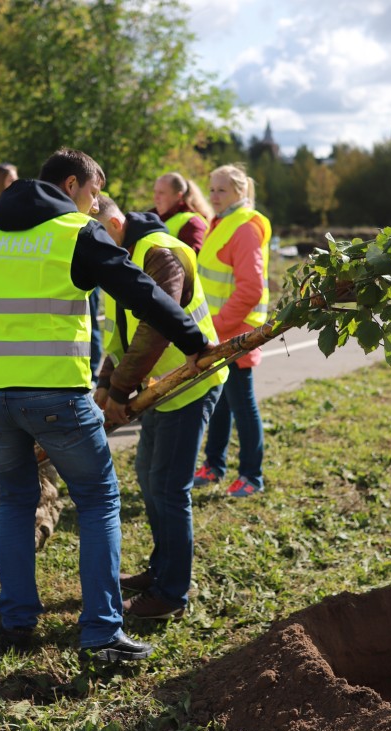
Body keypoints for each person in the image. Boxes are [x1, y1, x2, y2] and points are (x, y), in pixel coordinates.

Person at [0, 149, 210, 661]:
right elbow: (141, 291)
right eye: (94, 192)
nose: (96, 205)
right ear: (72, 186)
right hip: (56, 397)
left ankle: (16, 618)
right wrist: (194, 339)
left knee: (15, 501)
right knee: (98, 499)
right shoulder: (77, 232)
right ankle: (102, 631)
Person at [92, 196, 226, 619]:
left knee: (168, 488)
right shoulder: (123, 256)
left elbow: (155, 327)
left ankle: (170, 594)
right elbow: (123, 330)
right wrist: (106, 381)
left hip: (188, 386)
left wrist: (118, 390)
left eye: (95, 232)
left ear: (115, 224)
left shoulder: (159, 254)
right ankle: (161, 570)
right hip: (162, 389)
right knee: (151, 480)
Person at [193, 163, 271, 497]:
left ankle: (251, 477)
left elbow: (250, 289)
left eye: (221, 190)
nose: (213, 196)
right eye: (211, 189)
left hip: (236, 335)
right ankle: (214, 466)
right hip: (220, 333)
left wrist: (217, 325)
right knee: (221, 404)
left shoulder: (243, 228)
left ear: (239, 191)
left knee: (242, 405)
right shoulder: (222, 222)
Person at [152, 171, 212, 253]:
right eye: (155, 192)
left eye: (161, 193)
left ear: (178, 196)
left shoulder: (193, 223)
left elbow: (192, 257)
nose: (156, 197)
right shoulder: (150, 218)